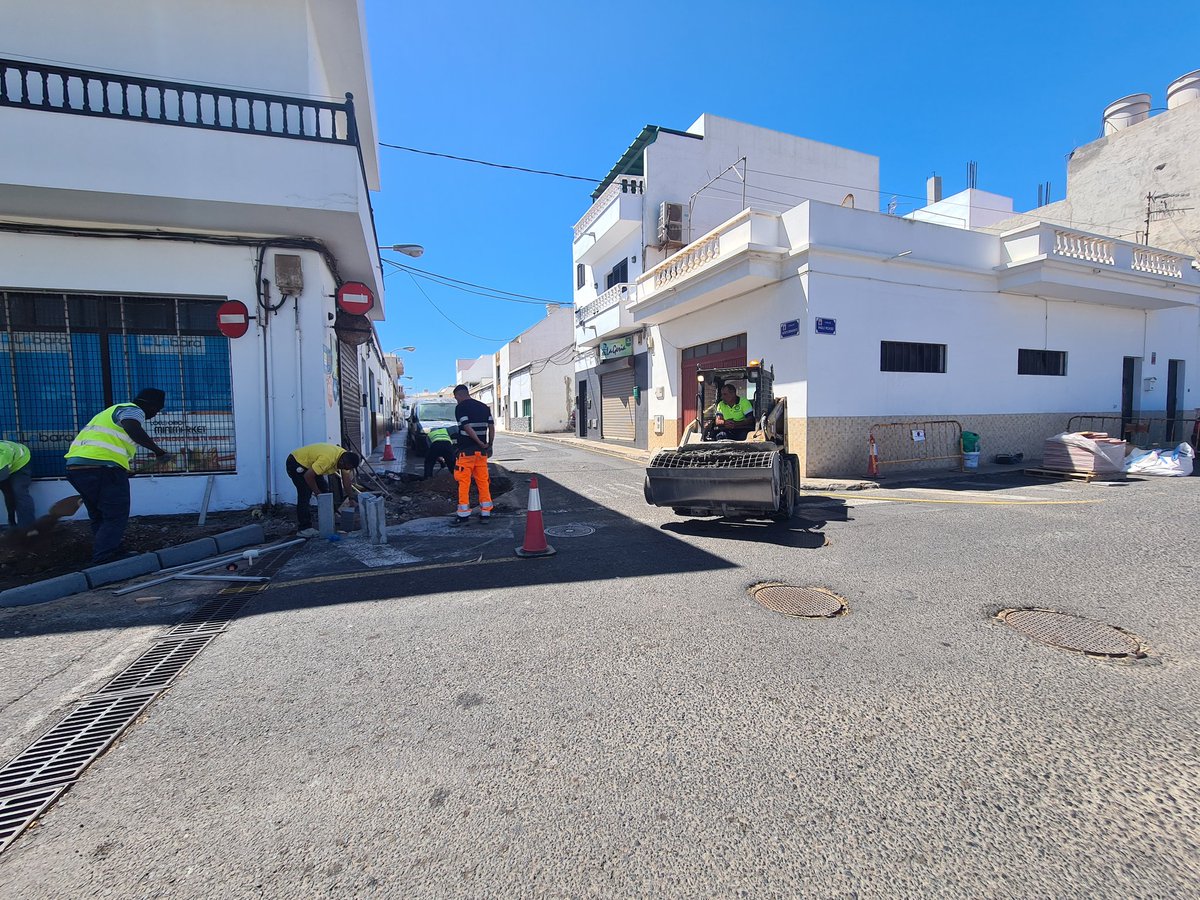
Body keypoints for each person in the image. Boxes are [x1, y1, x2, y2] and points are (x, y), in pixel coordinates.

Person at [64, 389, 172, 564]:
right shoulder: (133, 409)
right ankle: (105, 557)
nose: (155, 414)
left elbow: (106, 443)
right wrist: (158, 451)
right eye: (157, 410)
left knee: (99, 515)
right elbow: (131, 427)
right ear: (151, 406)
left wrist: (121, 469)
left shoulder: (107, 413)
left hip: (76, 468)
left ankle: (107, 550)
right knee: (116, 514)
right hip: (103, 468)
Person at [286, 443, 360, 536]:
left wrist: (351, 498)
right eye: (345, 467)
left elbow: (346, 481)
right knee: (305, 493)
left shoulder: (345, 458)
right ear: (342, 462)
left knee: (324, 490)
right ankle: (304, 528)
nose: (345, 469)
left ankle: (328, 521)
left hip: (310, 466)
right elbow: (308, 476)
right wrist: (317, 493)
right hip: (296, 462)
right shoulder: (327, 459)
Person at [451, 384, 494, 525]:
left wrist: (478, 442)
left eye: (455, 397)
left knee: (464, 482)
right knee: (483, 482)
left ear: (459, 395)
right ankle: (485, 513)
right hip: (481, 454)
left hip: (466, 452)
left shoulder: (460, 407)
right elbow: (491, 427)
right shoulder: (484, 407)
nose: (456, 400)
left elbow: (467, 427)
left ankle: (463, 515)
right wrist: (489, 444)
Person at [0, 440, 35, 530]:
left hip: (21, 462)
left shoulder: (2, 456)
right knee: (8, 495)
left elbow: (3, 476)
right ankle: (12, 524)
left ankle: (28, 528)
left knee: (19, 492)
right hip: (7, 464)